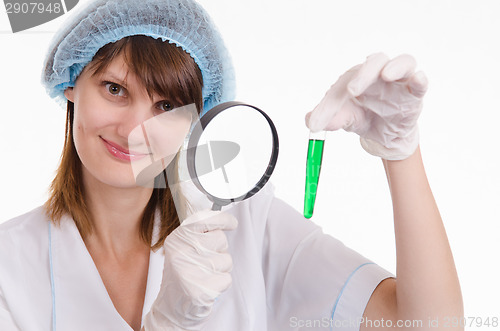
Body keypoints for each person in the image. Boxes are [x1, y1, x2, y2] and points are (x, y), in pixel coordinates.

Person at [0, 0, 463, 330]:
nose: (133, 129)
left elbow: (428, 326)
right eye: (115, 89)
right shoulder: (9, 266)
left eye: (165, 106)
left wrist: (401, 153)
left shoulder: (248, 228)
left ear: (195, 122)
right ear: (71, 82)